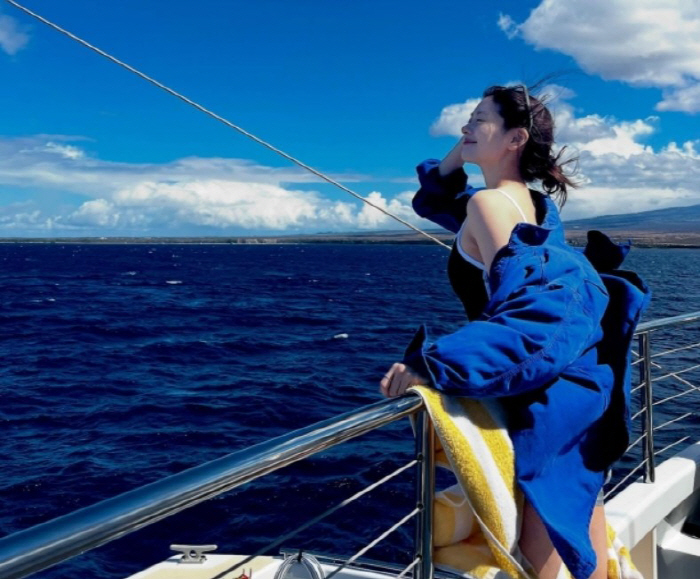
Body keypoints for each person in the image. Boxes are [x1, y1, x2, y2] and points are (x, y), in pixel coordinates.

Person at [379, 85, 649, 579]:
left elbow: (534, 313)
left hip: (548, 399)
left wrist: (433, 364)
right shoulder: (537, 208)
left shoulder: (488, 207)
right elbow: (433, 199)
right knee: (580, 518)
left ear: (515, 138)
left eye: (479, 119)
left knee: (542, 553)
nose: (464, 127)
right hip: (583, 385)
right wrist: (465, 148)